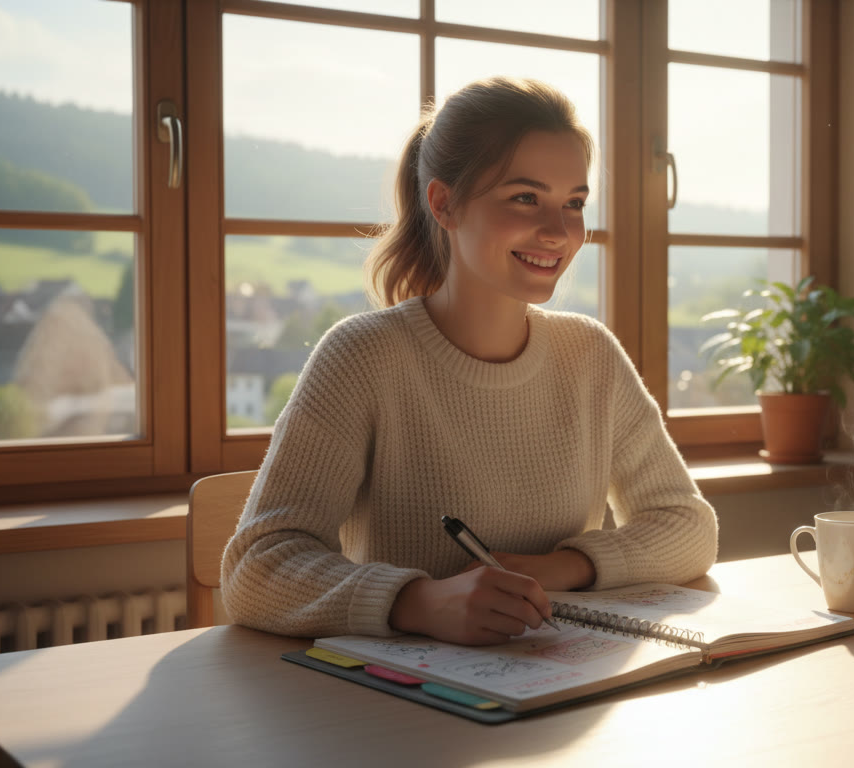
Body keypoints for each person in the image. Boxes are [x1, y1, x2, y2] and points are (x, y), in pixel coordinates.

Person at [220, 77, 718, 646]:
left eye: (573, 203)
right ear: (444, 204)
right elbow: (255, 569)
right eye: (525, 197)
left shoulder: (592, 356)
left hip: (559, 690)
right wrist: (419, 601)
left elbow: (688, 527)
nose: (559, 232)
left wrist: (561, 566)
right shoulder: (362, 358)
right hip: (406, 714)